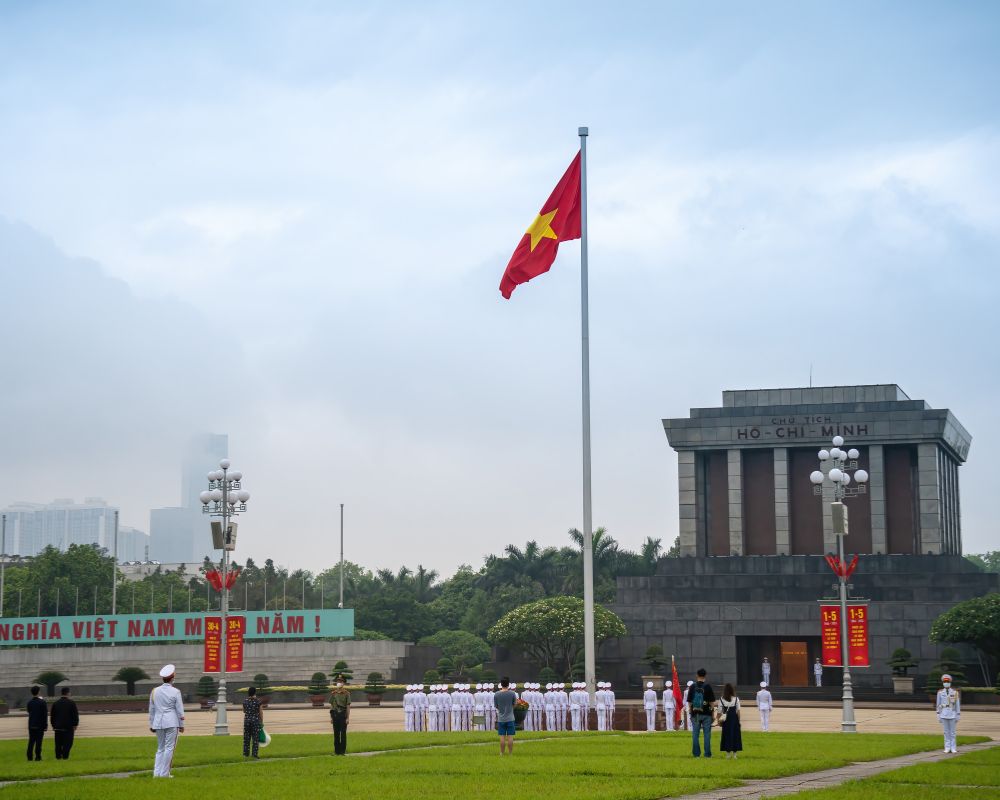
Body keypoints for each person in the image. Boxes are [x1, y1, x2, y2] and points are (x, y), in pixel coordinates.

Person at [149, 664, 185, 778]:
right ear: (172, 677)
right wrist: (182, 725)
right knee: (169, 748)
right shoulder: (176, 692)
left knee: (160, 748)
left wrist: (151, 724)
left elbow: (152, 709)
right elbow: (180, 711)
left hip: (158, 722)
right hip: (172, 722)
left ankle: (156, 773)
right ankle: (164, 774)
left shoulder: (155, 691)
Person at [688, 668, 715, 758]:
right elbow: (712, 702)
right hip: (707, 714)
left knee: (695, 735)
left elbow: (690, 702)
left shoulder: (692, 686)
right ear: (705, 675)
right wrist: (713, 714)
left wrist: (691, 712)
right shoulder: (708, 686)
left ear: (697, 675)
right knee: (707, 735)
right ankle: (707, 754)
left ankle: (696, 754)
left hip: (695, 714)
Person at [50, 687, 79, 760]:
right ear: (68, 693)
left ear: (61, 693)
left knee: (58, 743)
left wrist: (53, 725)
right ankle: (65, 756)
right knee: (68, 743)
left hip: (58, 727)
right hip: (68, 727)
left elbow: (52, 715)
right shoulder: (71, 703)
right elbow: (75, 714)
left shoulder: (56, 703)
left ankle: (58, 757)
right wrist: (75, 724)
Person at [936, 674, 961, 754]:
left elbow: (957, 704)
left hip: (952, 714)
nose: (946, 683)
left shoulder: (955, 692)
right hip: (943, 714)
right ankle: (947, 747)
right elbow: (938, 704)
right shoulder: (940, 692)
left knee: (953, 732)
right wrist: (938, 714)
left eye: (947, 682)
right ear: (943, 682)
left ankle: (953, 748)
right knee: (946, 732)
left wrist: (958, 714)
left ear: (950, 682)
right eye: (945, 682)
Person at [717, 683, 742, 758]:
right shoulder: (736, 699)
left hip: (726, 720)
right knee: (735, 735)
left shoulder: (721, 699)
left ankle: (728, 754)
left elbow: (719, 712)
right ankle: (735, 755)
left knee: (726, 735)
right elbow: (738, 711)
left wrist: (719, 721)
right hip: (734, 719)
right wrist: (738, 721)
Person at [493, 677, 517, 755]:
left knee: (502, 737)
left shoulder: (496, 694)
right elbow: (515, 704)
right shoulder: (512, 693)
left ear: (501, 684)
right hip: (510, 717)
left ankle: (501, 753)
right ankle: (510, 753)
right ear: (508, 684)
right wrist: (510, 708)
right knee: (510, 737)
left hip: (501, 718)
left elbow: (496, 706)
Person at [329, 674, 351, 755]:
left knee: (343, 734)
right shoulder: (334, 693)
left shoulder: (346, 694)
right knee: (336, 734)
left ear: (343, 683)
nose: (339, 682)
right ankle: (336, 751)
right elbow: (331, 705)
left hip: (342, 714)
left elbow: (348, 706)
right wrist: (331, 717)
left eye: (341, 681)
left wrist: (347, 718)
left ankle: (342, 751)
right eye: (338, 681)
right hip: (335, 715)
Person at [26, 685, 47, 762]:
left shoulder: (29, 702)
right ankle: (38, 756)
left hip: (31, 724)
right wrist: (45, 725)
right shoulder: (42, 702)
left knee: (31, 741)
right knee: (39, 742)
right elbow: (44, 715)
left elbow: (29, 711)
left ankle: (29, 756)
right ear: (38, 692)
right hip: (40, 725)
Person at [242, 686, 264, 758]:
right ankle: (254, 754)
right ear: (255, 693)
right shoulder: (258, 701)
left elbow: (244, 711)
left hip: (247, 721)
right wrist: (261, 721)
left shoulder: (245, 701)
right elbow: (261, 712)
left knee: (246, 738)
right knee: (255, 738)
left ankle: (246, 754)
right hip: (255, 721)